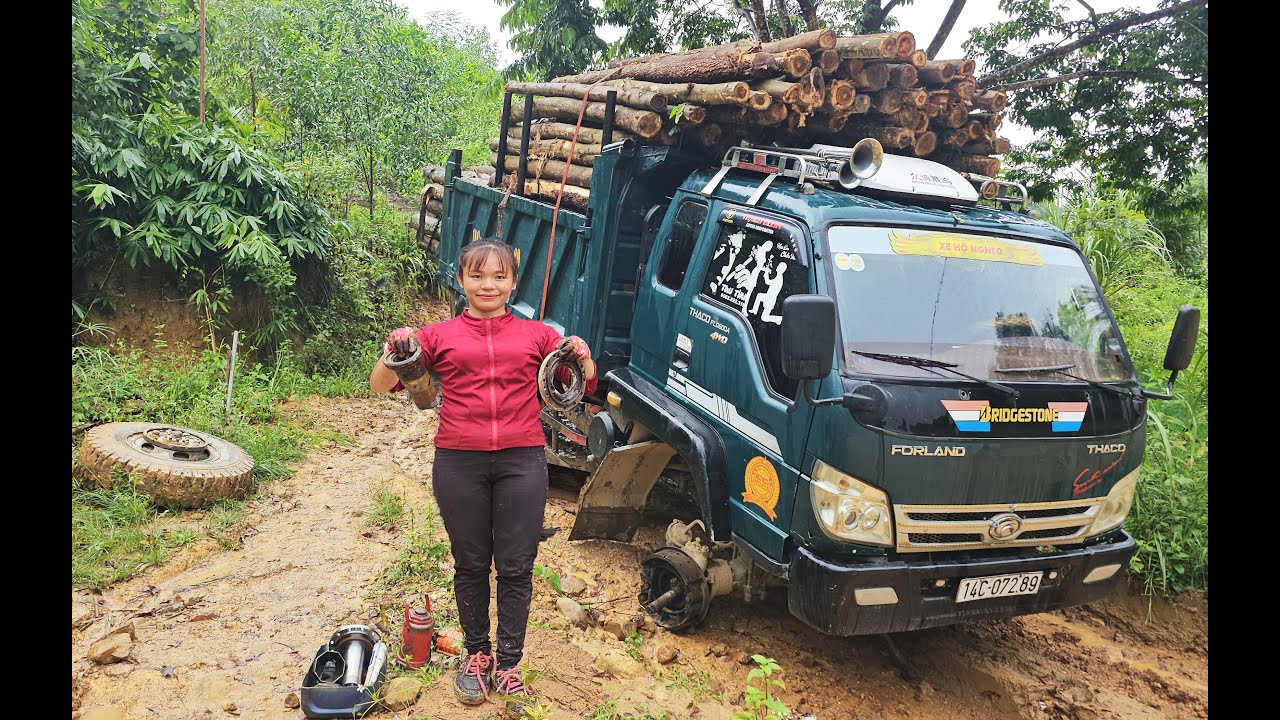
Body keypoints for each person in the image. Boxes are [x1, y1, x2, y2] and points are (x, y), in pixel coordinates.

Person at [369, 240, 596, 712]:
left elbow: (582, 383)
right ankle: (476, 656)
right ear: (461, 281)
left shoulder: (538, 335)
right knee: (470, 564)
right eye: (477, 275)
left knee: (517, 566)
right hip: (458, 461)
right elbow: (381, 384)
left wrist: (582, 353)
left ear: (514, 282)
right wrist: (395, 348)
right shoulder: (438, 335)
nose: (487, 285)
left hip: (522, 460)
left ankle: (509, 667)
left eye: (498, 276)